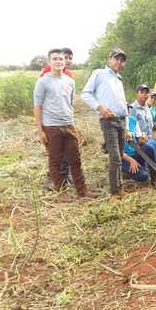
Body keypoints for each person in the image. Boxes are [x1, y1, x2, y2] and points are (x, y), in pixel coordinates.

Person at [33, 48, 95, 201]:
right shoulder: (43, 81)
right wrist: (40, 130)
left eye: (61, 59)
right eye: (55, 59)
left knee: (75, 159)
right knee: (55, 160)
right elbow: (37, 106)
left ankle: (82, 191)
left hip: (68, 125)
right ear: (49, 62)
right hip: (51, 126)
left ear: (65, 61)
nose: (59, 61)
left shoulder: (70, 81)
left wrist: (71, 122)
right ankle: (61, 192)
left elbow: (70, 103)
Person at [81, 48, 130, 197]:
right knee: (115, 156)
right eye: (116, 58)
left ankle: (120, 186)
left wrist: (126, 126)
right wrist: (99, 107)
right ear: (109, 58)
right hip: (108, 121)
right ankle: (115, 192)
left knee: (120, 155)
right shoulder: (99, 73)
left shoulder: (119, 78)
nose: (119, 62)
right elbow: (85, 94)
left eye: (122, 60)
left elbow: (122, 104)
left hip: (121, 120)